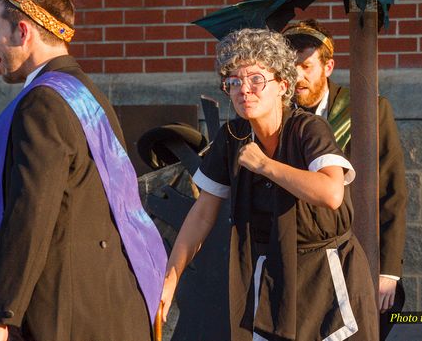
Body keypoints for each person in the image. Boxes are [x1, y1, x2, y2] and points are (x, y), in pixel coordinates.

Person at [0, 0, 166, 341]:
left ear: (22, 31)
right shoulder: (88, 95)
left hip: (67, 311)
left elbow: (30, 213)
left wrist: (0, 316)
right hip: (114, 300)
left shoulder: (42, 103)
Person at [161, 28, 378, 340]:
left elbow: (331, 193)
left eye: (256, 79)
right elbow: (202, 213)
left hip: (327, 274)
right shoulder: (232, 137)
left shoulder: (309, 129)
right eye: (233, 81)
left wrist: (266, 166)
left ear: (283, 85)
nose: (243, 89)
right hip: (272, 276)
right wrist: (172, 278)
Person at [283, 19, 408, 341]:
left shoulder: (366, 110)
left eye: (306, 66)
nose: (298, 76)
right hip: (300, 260)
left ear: (328, 67)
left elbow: (391, 190)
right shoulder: (277, 115)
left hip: (356, 252)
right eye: (290, 67)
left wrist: (387, 270)